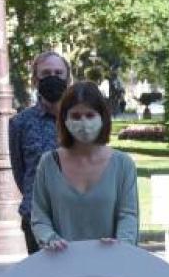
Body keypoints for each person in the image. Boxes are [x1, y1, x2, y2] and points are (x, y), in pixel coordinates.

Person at [30, 81, 139, 250]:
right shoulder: (48, 164)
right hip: (61, 264)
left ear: (102, 117)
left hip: (111, 263)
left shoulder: (123, 165)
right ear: (64, 120)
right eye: (76, 116)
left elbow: (128, 215)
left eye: (90, 115)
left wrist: (121, 244)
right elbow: (40, 216)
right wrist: (50, 239)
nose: (83, 122)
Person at [9, 51, 69, 254]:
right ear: (35, 80)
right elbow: (20, 172)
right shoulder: (20, 123)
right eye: (46, 73)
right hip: (35, 218)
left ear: (67, 78)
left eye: (59, 72)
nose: (53, 77)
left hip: (75, 216)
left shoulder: (81, 118)